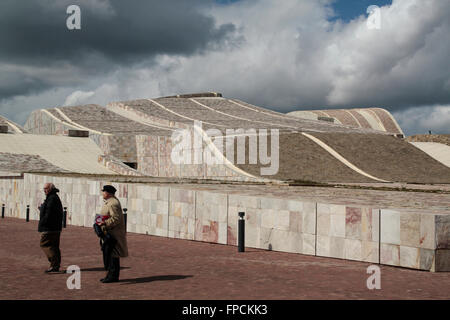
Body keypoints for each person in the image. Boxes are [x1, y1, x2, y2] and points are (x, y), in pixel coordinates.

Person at [96, 185, 128, 283]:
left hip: (113, 233)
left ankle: (113, 276)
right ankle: (110, 275)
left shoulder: (113, 203)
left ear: (108, 193)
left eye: (104, 191)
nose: (102, 193)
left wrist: (104, 223)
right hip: (108, 232)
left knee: (113, 254)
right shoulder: (109, 202)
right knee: (109, 254)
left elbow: (116, 218)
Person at [38, 183, 63, 273]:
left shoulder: (52, 198)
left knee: (45, 244)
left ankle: (54, 264)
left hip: (49, 227)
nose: (45, 190)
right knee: (54, 246)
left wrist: (43, 222)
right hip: (55, 227)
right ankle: (55, 265)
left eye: (46, 188)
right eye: (44, 188)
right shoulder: (53, 197)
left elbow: (49, 213)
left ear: (51, 188)